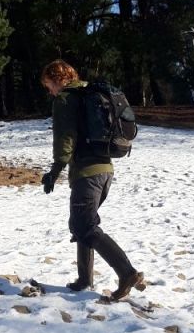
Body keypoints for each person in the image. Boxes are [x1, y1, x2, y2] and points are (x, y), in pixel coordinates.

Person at [39, 60, 145, 301]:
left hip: (87, 173)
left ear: (58, 79)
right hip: (105, 171)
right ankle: (84, 279)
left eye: (49, 85)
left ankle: (127, 273)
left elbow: (65, 138)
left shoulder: (66, 99)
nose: (50, 91)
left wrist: (55, 171)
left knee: (84, 226)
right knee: (82, 224)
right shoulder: (89, 92)